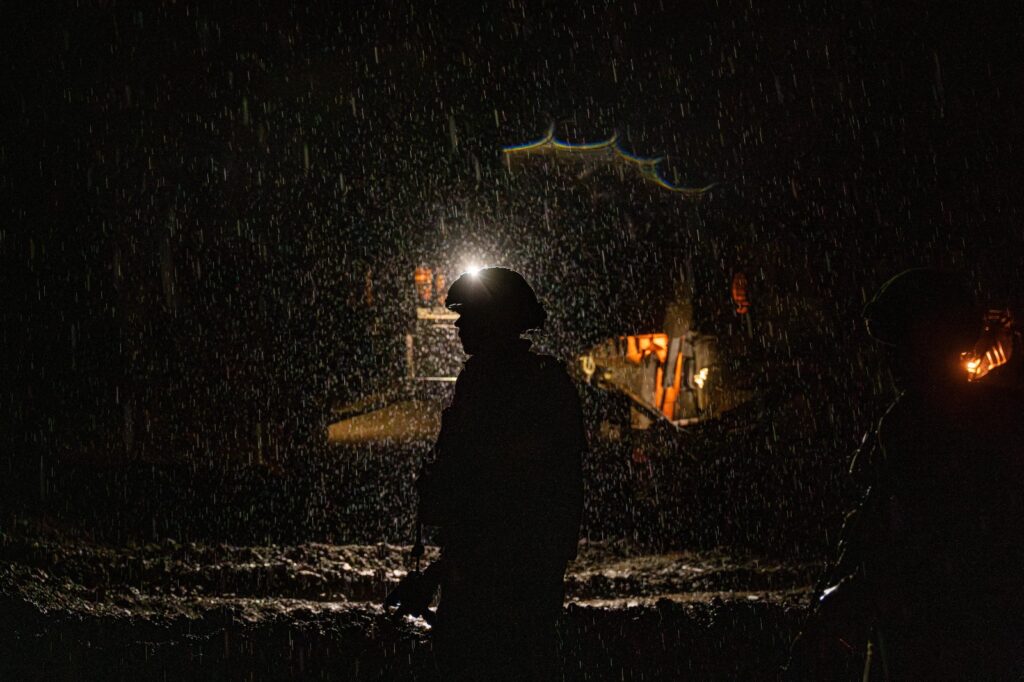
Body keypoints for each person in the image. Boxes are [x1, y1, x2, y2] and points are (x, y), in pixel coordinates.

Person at [787, 268, 1024, 680]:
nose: (889, 361)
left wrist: (854, 595)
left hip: (945, 623)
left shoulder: (934, 422)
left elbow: (915, 530)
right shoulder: (947, 416)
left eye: (899, 347)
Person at [414, 267, 586, 681]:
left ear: (495, 321)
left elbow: (495, 499)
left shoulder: (501, 385)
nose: (459, 324)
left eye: (468, 314)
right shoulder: (526, 381)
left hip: (499, 584)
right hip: (512, 578)